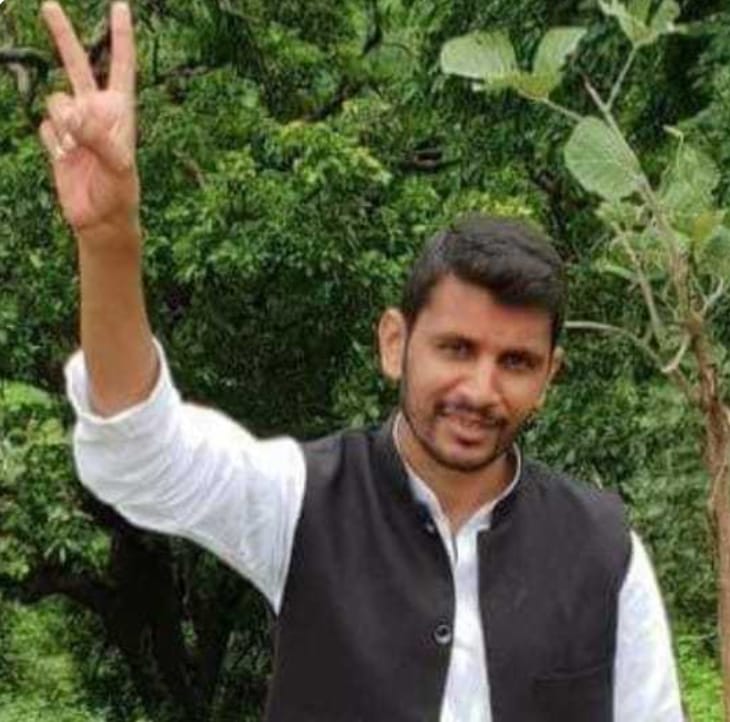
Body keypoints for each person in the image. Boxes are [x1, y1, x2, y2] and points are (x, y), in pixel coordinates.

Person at [39, 2, 684, 720]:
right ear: (394, 343)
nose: (481, 388)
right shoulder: (302, 502)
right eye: (456, 349)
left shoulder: (603, 549)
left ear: (549, 377)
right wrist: (109, 238)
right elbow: (139, 453)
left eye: (516, 362)